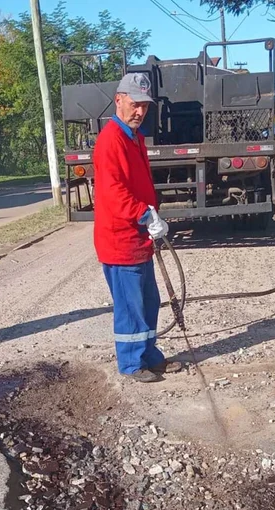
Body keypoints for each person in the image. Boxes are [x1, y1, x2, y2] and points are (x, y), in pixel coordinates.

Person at [93, 72, 183, 383]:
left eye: (144, 106)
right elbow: (114, 192)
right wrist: (145, 215)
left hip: (138, 239)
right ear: (118, 100)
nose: (139, 112)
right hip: (120, 241)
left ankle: (149, 355)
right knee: (130, 307)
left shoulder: (135, 137)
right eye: (134, 104)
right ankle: (131, 363)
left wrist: (150, 215)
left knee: (148, 301)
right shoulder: (111, 141)